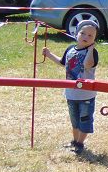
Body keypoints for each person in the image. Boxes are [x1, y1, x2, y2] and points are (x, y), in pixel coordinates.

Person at [42, 19, 99, 155]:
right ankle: (74, 141)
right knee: (74, 120)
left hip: (86, 94)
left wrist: (90, 50)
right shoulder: (70, 50)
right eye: (83, 33)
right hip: (71, 93)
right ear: (76, 34)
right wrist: (49, 55)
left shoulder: (93, 53)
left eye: (90, 36)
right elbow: (63, 63)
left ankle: (80, 144)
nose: (86, 37)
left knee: (84, 119)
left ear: (95, 39)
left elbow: (87, 65)